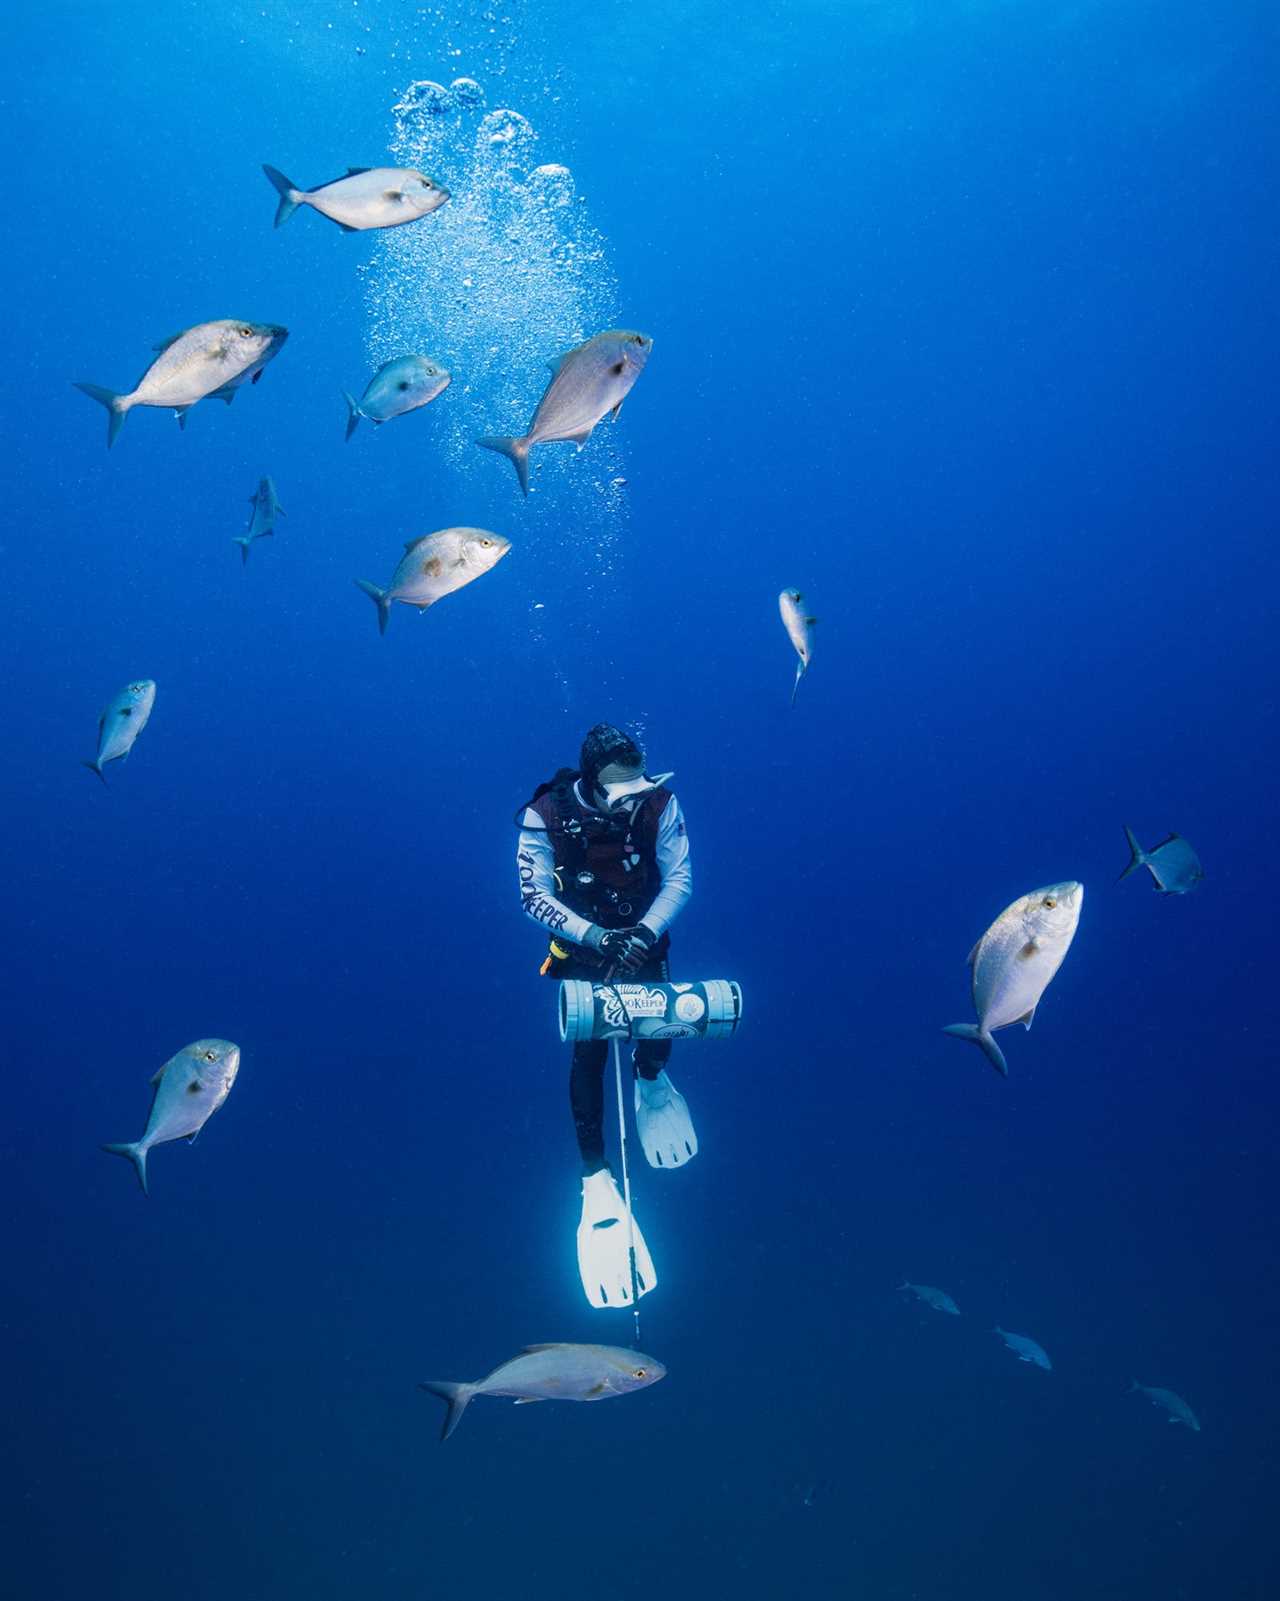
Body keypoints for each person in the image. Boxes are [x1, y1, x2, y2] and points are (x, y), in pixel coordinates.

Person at [516, 723, 695, 1307]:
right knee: (589, 1053)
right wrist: (596, 936)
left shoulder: (660, 804)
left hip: (645, 940)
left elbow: (680, 878)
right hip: (584, 949)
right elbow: (533, 894)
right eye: (619, 788)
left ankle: (651, 1080)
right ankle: (595, 1178)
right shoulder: (544, 815)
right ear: (591, 780)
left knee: (661, 1026)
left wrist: (642, 932)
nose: (630, 800)